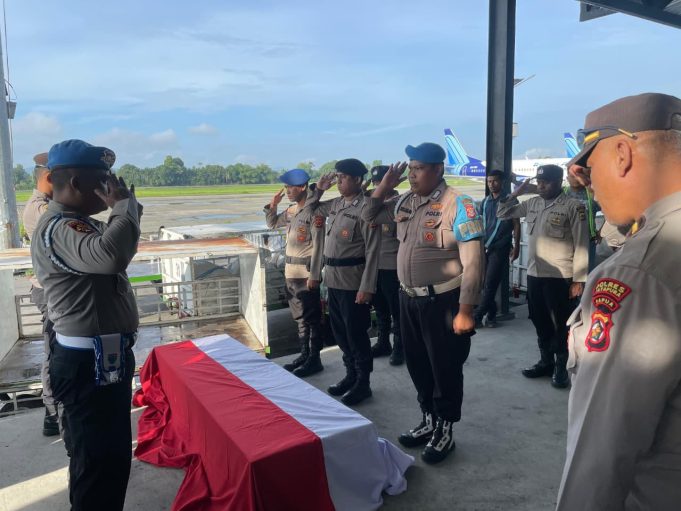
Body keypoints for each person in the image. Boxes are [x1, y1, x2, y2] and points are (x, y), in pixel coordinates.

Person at [556, 92, 681, 510]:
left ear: (623, 155)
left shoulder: (638, 272)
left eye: (590, 171)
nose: (589, 186)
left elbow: (601, 452)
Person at [31, 139, 141, 511]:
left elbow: (118, 248)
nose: (111, 186)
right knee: (95, 464)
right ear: (77, 183)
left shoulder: (80, 223)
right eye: (103, 179)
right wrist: (123, 208)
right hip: (85, 366)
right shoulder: (60, 227)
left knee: (111, 458)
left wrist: (126, 211)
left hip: (104, 360)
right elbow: (110, 257)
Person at [363, 143, 484, 464]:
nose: (412, 175)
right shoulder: (405, 201)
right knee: (417, 363)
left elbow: (474, 262)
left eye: (418, 168)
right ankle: (428, 419)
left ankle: (445, 428)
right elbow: (368, 214)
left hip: (442, 301)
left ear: (438, 169)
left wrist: (466, 309)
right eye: (411, 168)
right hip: (408, 299)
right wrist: (385, 185)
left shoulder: (459, 204)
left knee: (445, 367)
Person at [497, 164, 589, 389]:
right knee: (539, 319)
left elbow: (582, 244)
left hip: (560, 276)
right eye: (539, 182)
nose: (541, 186)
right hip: (534, 274)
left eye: (546, 182)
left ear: (558, 183)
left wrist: (579, 280)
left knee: (561, 323)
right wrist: (515, 194)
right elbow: (502, 213)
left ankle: (561, 367)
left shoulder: (573, 207)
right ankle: (546, 361)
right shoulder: (533, 203)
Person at [312, 159, 380, 405]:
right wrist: (319, 190)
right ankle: (351, 374)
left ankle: (363, 382)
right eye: (337, 177)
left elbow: (373, 251)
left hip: (353, 282)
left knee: (356, 334)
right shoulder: (336, 204)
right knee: (340, 333)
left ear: (358, 180)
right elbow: (310, 210)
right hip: (333, 280)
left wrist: (367, 287)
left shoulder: (366, 208)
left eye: (343, 177)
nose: (338, 181)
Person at [264, 168, 325, 377]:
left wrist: (315, 275)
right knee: (300, 318)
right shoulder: (291, 211)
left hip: (306, 275)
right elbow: (272, 223)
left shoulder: (314, 212)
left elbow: (319, 246)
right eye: (286, 187)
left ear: (303, 187)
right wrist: (273, 205)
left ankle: (314, 359)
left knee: (312, 318)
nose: (288, 191)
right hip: (291, 273)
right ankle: (304, 354)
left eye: (291, 187)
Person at [22, 152, 59, 436]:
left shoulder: (46, 206)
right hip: (49, 291)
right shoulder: (41, 209)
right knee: (55, 351)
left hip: (53, 289)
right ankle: (52, 412)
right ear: (49, 177)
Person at [474, 170, 520, 328]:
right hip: (485, 246)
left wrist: (517, 247)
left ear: (502, 182)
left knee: (490, 282)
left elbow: (516, 224)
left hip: (501, 247)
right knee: (484, 283)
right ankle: (492, 314)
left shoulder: (510, 200)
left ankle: (478, 316)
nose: (491, 184)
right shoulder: (485, 201)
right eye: (489, 181)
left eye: (495, 181)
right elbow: (481, 223)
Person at [366, 165, 403, 365]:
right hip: (374, 266)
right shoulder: (371, 205)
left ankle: (400, 346)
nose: (377, 185)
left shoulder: (400, 203)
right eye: (375, 182)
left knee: (397, 310)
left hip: (393, 267)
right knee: (380, 309)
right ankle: (383, 342)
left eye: (380, 181)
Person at [564, 167, 601, 271]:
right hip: (566, 241)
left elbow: (609, 211)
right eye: (572, 176)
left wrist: (602, 231)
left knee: (585, 274)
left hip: (587, 242)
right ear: (567, 178)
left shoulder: (592, 194)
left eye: (579, 175)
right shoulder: (561, 193)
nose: (576, 178)